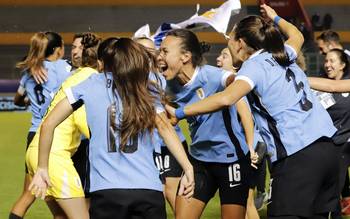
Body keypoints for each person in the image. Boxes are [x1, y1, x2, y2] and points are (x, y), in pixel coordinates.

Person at [167, 4, 339, 218]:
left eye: (229, 40)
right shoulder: (283, 53)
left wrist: (180, 112)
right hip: (329, 150)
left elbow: (227, 97)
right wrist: (275, 18)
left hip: (298, 156)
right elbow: (296, 35)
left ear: (240, 43)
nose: (228, 45)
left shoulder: (254, 66)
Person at [28, 37, 194, 219]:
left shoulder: (89, 85)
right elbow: (166, 130)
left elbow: (48, 124)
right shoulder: (145, 86)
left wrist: (42, 168)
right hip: (148, 190)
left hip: (106, 192)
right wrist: (188, 168)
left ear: (104, 61)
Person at [158, 29, 258, 219]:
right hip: (198, 161)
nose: (159, 56)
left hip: (232, 160)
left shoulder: (212, 76)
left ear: (185, 56)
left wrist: (251, 145)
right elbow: (168, 117)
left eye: (164, 51)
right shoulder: (168, 86)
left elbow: (234, 85)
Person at [10, 31, 71, 219]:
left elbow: (17, 100)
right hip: (55, 137)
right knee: (65, 199)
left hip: (33, 137)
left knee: (29, 195)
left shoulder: (29, 70)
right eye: (63, 46)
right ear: (57, 50)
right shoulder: (65, 68)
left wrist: (30, 102)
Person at [134, 35, 190, 212]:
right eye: (146, 50)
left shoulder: (161, 77)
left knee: (171, 192)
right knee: (155, 193)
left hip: (168, 144)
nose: (153, 54)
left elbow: (173, 114)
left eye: (153, 50)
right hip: (148, 146)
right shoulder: (132, 78)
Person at [216, 47, 261, 219]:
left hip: (250, 148)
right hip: (249, 146)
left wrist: (250, 148)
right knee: (245, 204)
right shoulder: (229, 84)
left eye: (224, 55)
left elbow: (246, 116)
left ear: (235, 67)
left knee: (247, 204)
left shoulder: (236, 87)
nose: (219, 59)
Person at [310, 49, 350, 216]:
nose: (327, 64)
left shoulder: (346, 84)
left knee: (331, 194)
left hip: (344, 146)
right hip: (325, 146)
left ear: (342, 65)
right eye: (326, 61)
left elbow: (335, 87)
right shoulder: (320, 87)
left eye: (332, 61)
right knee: (324, 193)